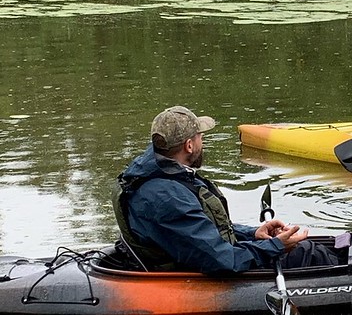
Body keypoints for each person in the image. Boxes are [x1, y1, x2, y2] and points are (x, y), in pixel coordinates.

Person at [113, 106, 337, 274]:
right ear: (189, 145)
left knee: (308, 248)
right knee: (307, 254)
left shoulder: (166, 175)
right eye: (201, 136)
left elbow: (199, 231)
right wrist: (276, 246)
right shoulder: (165, 197)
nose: (203, 141)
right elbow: (221, 260)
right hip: (199, 272)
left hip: (199, 257)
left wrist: (253, 234)